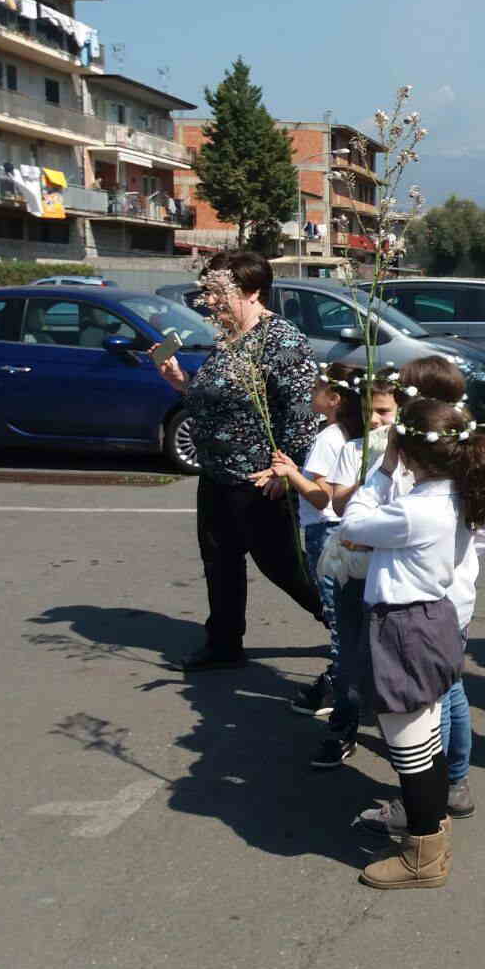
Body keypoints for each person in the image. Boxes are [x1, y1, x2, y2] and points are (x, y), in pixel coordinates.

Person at [339, 398, 485, 890]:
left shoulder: (416, 510)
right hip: (432, 621)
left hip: (404, 628)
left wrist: (381, 470)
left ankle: (423, 854)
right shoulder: (457, 495)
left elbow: (350, 522)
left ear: (408, 452)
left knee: (409, 745)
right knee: (424, 739)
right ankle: (430, 826)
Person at [153, 251, 322, 671]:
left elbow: (303, 415)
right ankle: (224, 644)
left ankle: (350, 628)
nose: (208, 302)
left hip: (259, 479)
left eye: (215, 293)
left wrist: (288, 473)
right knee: (220, 560)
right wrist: (181, 385)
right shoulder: (228, 338)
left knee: (285, 567)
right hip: (216, 474)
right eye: (206, 292)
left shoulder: (282, 340)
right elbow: (219, 405)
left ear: (250, 291)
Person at [254, 362, 363, 716]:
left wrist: (289, 475)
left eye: (316, 389)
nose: (311, 394)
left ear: (333, 398)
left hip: (324, 531)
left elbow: (321, 497)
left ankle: (338, 690)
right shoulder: (350, 434)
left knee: (336, 615)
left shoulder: (327, 438)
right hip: (345, 531)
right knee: (347, 611)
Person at [308, 372, 400, 770]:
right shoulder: (354, 449)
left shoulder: (409, 455)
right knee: (347, 649)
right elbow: (341, 506)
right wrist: (368, 473)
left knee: (389, 653)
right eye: (369, 413)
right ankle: (343, 727)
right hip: (355, 568)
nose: (376, 421)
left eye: (384, 412)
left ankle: (399, 730)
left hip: (394, 571)